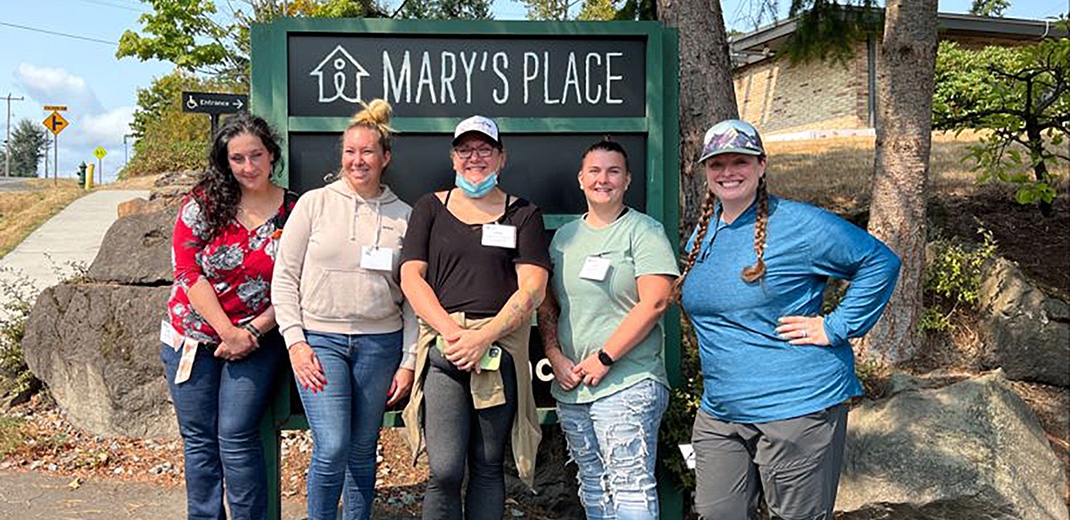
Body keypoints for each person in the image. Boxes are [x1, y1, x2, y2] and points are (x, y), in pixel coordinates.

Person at [676, 119, 902, 519]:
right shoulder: (704, 234)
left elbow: (879, 261)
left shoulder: (799, 224)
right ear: (705, 172)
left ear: (761, 165)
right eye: (717, 164)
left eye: (739, 161)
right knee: (717, 512)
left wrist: (834, 326)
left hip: (795, 408)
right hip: (721, 412)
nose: (728, 172)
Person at [271, 99, 417, 520]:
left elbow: (410, 298)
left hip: (380, 345)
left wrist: (407, 361)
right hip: (320, 342)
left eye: (368, 151)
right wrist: (296, 344)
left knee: (361, 449)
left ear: (385, 157)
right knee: (332, 444)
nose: (358, 160)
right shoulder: (313, 204)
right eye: (350, 151)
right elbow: (284, 279)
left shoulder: (405, 217)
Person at [400, 115, 550, 520]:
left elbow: (532, 288)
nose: (475, 158)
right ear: (453, 158)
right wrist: (454, 334)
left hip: (498, 354)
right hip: (444, 351)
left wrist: (483, 337)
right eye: (465, 149)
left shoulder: (523, 214)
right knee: (445, 471)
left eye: (485, 149)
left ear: (501, 158)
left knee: (487, 468)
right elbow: (411, 277)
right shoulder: (429, 208)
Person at [162, 113, 296, 520]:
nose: (248, 167)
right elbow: (186, 270)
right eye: (237, 158)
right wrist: (226, 331)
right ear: (226, 162)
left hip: (259, 338)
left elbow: (300, 281)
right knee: (199, 440)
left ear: (272, 155)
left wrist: (250, 331)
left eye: (256, 155)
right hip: (191, 336)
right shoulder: (203, 202)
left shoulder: (295, 210)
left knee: (236, 435)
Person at [537, 139, 679, 519]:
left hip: (628, 381)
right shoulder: (564, 238)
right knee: (594, 483)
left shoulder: (643, 231)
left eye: (613, 171)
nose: (604, 179)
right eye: (595, 171)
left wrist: (604, 357)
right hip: (574, 386)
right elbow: (548, 304)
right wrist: (554, 354)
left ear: (628, 179)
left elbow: (656, 301)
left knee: (630, 483)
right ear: (581, 179)